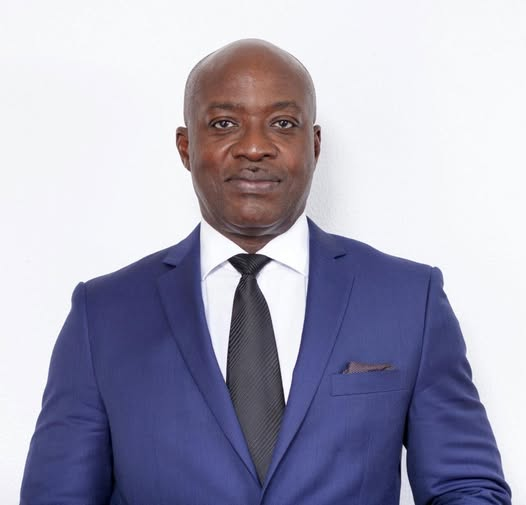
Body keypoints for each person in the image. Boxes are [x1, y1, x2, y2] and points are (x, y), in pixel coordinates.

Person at [21, 39, 511, 505]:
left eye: (282, 123)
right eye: (223, 124)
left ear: (314, 145)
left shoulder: (408, 300)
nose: (254, 147)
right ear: (185, 147)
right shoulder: (102, 315)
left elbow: (468, 488)